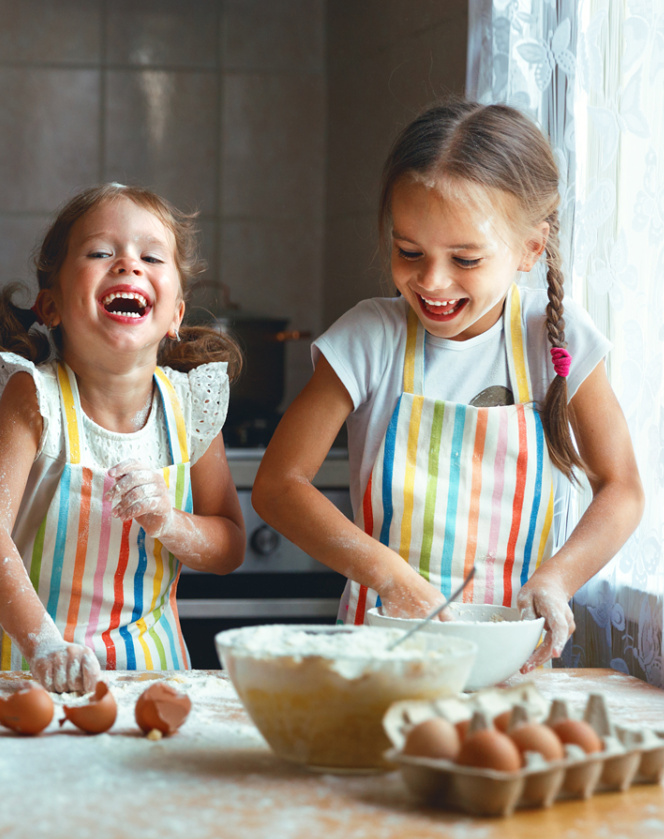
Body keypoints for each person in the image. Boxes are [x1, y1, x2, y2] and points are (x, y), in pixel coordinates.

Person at [252, 100, 643, 671]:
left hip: (511, 658)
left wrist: (558, 580)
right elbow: (278, 486)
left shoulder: (553, 338)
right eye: (409, 251)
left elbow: (623, 488)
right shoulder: (369, 336)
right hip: (382, 652)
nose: (431, 281)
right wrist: (392, 578)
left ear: (531, 248)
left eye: (465, 258)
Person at [0, 184, 246, 693]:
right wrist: (43, 643)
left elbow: (230, 545)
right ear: (51, 305)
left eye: (151, 256)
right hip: (22, 666)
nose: (128, 264)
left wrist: (169, 522)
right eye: (101, 253)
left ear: (175, 314)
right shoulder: (34, 397)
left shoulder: (188, 408)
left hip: (150, 676)